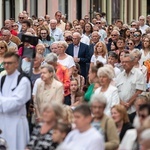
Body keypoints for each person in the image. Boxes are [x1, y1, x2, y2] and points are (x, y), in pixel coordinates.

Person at [0, 51, 31, 150]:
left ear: (17, 63)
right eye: (4, 63)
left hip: (17, 122)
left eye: (9, 63)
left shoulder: (23, 81)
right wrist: (7, 101)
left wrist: (2, 101)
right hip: (2, 121)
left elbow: (17, 102)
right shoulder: (2, 79)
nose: (6, 66)